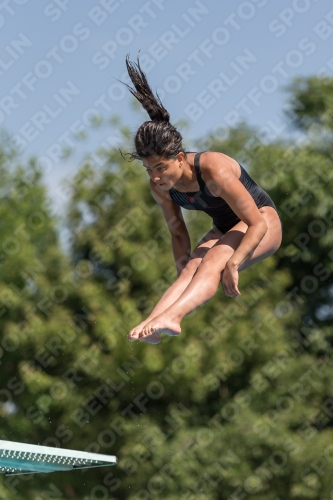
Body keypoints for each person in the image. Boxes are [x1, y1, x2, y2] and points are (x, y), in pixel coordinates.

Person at [124, 55, 282, 345]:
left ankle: (174, 317)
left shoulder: (213, 169)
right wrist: (184, 277)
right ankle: (155, 322)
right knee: (192, 267)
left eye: (161, 168)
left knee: (212, 262)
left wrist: (234, 263)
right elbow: (177, 232)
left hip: (263, 222)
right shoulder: (160, 187)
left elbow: (255, 223)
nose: (156, 177)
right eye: (149, 170)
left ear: (180, 158)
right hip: (225, 228)